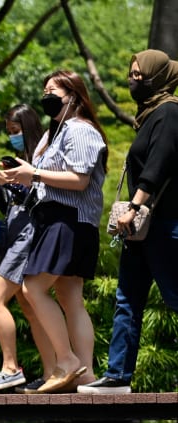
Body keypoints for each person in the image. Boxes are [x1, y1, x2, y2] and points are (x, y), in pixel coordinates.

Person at [0, 70, 107, 394]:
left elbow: (79, 180)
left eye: (53, 90)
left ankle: (67, 360)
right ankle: (85, 376)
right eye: (44, 90)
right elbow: (38, 178)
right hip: (59, 219)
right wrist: (11, 178)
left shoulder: (80, 129)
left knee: (32, 289)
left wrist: (35, 173)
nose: (46, 96)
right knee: (70, 297)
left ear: (73, 95)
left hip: (69, 220)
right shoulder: (55, 133)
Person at [79, 50, 178, 395]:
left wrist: (134, 207)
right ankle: (118, 377)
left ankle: (118, 375)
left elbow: (159, 164)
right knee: (127, 299)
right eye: (131, 73)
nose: (133, 80)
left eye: (140, 75)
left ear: (158, 77)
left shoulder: (169, 113)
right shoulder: (149, 114)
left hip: (163, 224)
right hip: (141, 227)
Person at [0, 104, 55, 392]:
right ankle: (52, 374)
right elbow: (10, 206)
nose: (13, 137)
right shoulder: (21, 160)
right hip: (12, 234)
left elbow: (39, 197)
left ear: (29, 127)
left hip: (26, 237)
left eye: (17, 131)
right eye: (10, 133)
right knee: (29, 307)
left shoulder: (40, 159)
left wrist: (13, 180)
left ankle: (10, 368)